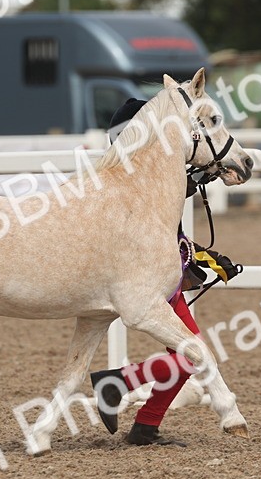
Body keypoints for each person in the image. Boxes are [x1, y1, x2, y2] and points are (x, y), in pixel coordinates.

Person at [89, 98, 241, 447]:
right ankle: (120, 387)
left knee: (187, 353)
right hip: (149, 279)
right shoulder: (138, 184)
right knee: (191, 351)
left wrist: (206, 256)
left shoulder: (143, 179)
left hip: (158, 274)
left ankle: (144, 424)